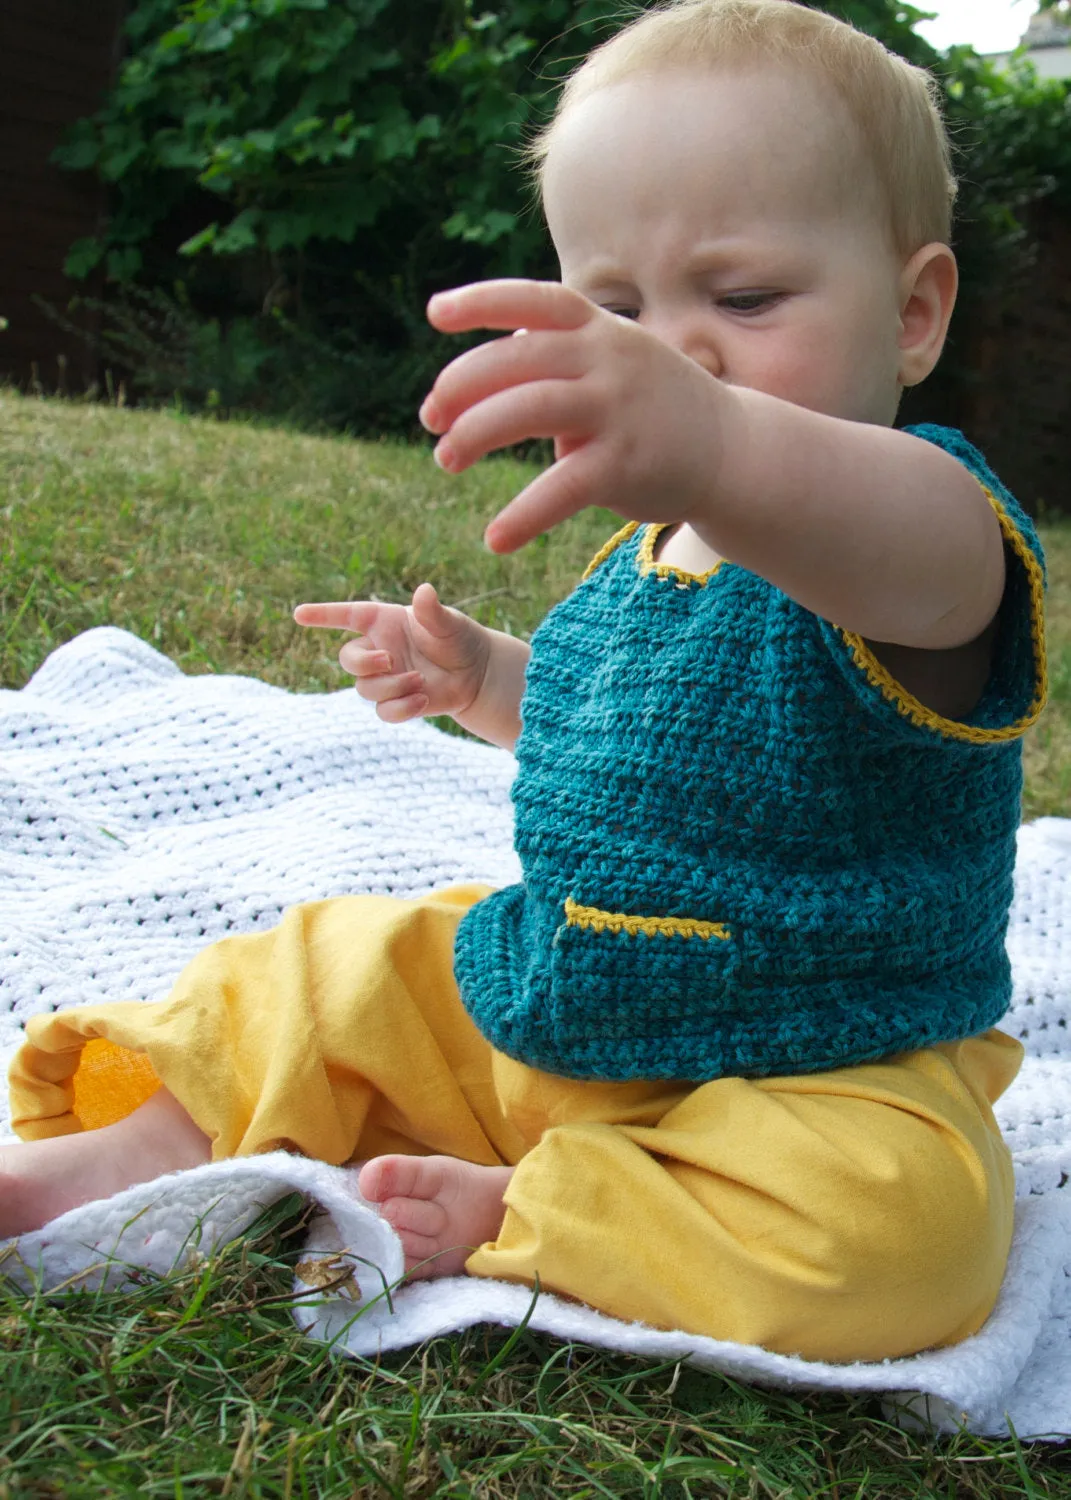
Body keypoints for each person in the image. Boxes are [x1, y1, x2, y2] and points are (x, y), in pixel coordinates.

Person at [2, 0, 1047, 1363]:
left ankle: (545, 1215)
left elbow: (901, 553)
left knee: (903, 1231)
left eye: (740, 299)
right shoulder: (640, 558)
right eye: (616, 308)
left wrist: (713, 441)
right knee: (335, 970)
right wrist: (481, 674)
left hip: (820, 1066)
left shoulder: (926, 532)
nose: (671, 351)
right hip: (563, 1001)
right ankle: (104, 1165)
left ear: (911, 313)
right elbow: (599, 722)